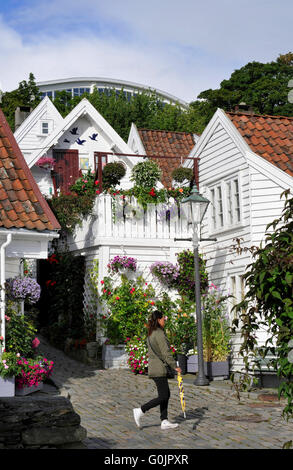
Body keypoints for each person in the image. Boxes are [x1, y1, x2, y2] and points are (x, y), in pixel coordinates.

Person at [133, 310, 181, 430]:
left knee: (165, 394)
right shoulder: (159, 333)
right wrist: (174, 366)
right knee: (164, 396)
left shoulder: (151, 333)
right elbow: (165, 352)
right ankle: (140, 410)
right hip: (159, 368)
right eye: (164, 318)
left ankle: (164, 420)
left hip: (155, 367)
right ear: (159, 320)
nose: (165, 319)